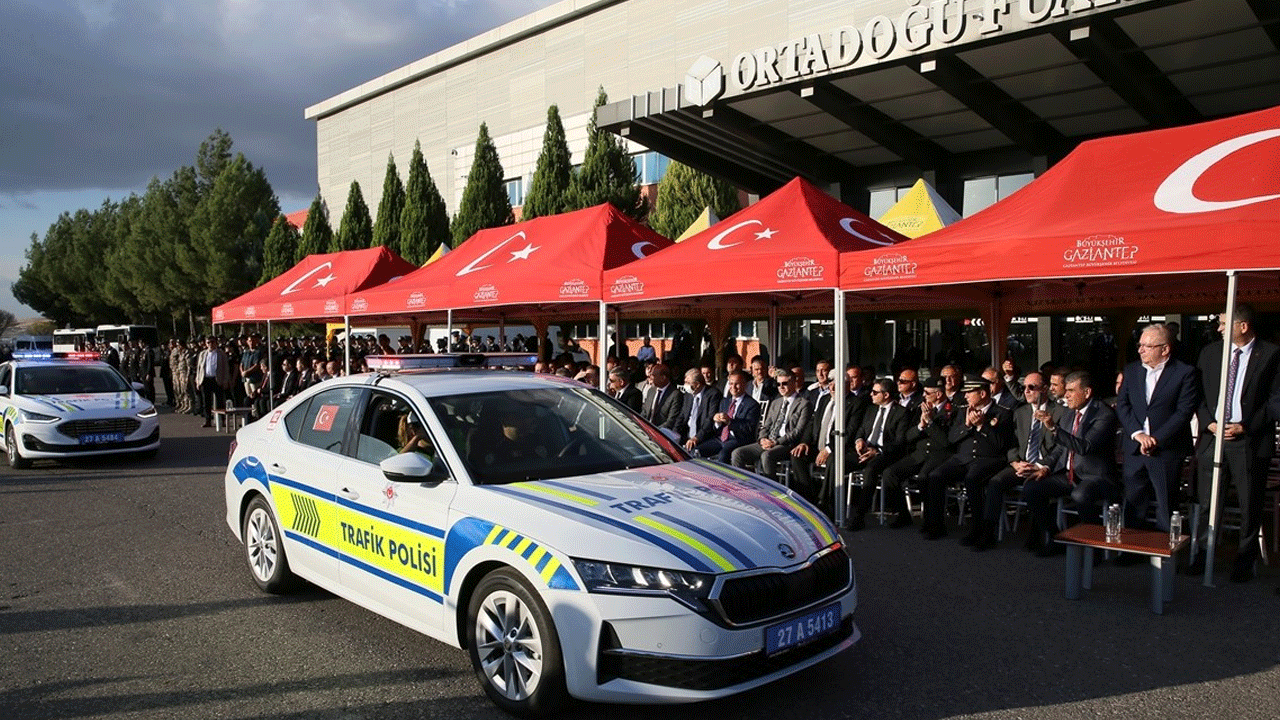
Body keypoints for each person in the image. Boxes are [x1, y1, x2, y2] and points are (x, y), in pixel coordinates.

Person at [1190, 305, 1280, 582]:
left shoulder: (1271, 355)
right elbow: (1197, 394)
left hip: (1249, 440)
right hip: (1213, 437)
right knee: (1208, 501)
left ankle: (1244, 559)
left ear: (1243, 326)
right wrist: (1208, 422)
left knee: (1249, 503)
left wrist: (1246, 425)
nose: (1218, 329)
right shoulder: (1211, 353)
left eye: (1223, 323)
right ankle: (1203, 554)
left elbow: (1275, 400)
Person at [1022, 370, 1120, 556]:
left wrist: (1053, 428)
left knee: (1080, 494)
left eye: (1071, 391)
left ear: (1087, 392)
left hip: (1095, 476)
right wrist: (1045, 467)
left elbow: (1085, 447)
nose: (1066, 395)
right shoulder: (1069, 414)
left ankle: (1094, 548)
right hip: (1070, 474)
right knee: (1032, 488)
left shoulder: (1104, 414)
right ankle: (1057, 537)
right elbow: (1061, 448)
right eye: (1065, 390)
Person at [1115, 323, 1201, 531]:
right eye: (1140, 345)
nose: (1140, 350)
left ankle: (1165, 548)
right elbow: (1123, 405)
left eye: (1147, 346)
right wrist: (1138, 434)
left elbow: (1183, 412)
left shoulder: (1184, 372)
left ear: (1165, 349)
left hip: (1166, 450)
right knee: (1133, 504)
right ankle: (1132, 545)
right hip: (1135, 449)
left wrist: (1156, 439)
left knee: (1166, 505)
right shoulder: (1132, 370)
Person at [968, 372, 1063, 551]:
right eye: (1024, 387)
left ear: (1045, 389)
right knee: (995, 482)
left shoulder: (1059, 412)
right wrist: (1015, 462)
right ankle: (987, 532)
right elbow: (1011, 443)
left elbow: (1060, 446)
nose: (1026, 391)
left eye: (1031, 387)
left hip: (1043, 465)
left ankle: (1036, 536)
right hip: (1021, 463)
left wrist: (1040, 465)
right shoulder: (1020, 412)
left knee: (1034, 487)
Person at [920, 379, 1014, 540]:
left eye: (970, 393)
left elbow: (1001, 445)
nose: (966, 396)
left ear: (982, 393)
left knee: (972, 479)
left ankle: (979, 529)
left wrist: (982, 426)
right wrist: (967, 426)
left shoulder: (1002, 413)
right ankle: (936, 525)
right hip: (962, 458)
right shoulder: (963, 411)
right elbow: (951, 439)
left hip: (988, 459)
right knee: (935, 476)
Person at [880, 377, 956, 529]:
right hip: (919, 454)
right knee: (890, 473)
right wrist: (921, 425)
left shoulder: (952, 410)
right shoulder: (920, 409)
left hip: (939, 455)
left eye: (927, 393)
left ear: (938, 394)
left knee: (925, 478)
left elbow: (946, 442)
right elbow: (907, 436)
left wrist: (931, 423)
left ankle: (932, 522)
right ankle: (903, 514)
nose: (924, 396)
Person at [845, 378, 910, 531]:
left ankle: (859, 516)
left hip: (885, 452)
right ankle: (828, 504)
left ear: (886, 395)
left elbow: (899, 442)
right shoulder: (871, 409)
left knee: (871, 470)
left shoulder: (901, 413)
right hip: (866, 449)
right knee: (838, 461)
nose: (871, 395)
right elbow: (862, 429)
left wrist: (877, 451)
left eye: (875, 392)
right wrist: (859, 440)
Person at [731, 367, 811, 481]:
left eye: (784, 383)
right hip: (768, 441)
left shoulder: (803, 404)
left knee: (766, 456)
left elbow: (797, 431)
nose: (781, 387)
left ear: (793, 383)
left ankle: (770, 489)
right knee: (737, 453)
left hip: (786, 444)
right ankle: (744, 485)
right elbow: (766, 425)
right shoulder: (775, 403)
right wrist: (762, 439)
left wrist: (776, 442)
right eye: (778, 384)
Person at [697, 370, 760, 462]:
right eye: (731, 384)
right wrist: (717, 422)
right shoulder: (725, 401)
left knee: (723, 455)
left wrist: (730, 422)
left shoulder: (752, 404)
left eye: (737, 384)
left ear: (744, 385)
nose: (733, 387)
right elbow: (716, 429)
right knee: (697, 451)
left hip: (738, 440)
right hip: (720, 439)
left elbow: (749, 428)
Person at [679, 368, 722, 450]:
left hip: (704, 437)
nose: (685, 385)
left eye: (688, 383)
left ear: (697, 385)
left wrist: (697, 438)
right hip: (686, 435)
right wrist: (673, 434)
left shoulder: (713, 394)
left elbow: (710, 419)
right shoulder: (688, 394)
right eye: (685, 382)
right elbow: (682, 415)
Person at [196, 336, 232, 428]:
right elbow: (199, 368)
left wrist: (225, 381)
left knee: (220, 401)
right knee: (206, 402)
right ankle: (208, 420)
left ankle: (222, 420)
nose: (210, 344)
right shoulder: (203, 354)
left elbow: (226, 368)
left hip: (217, 379)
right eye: (208, 342)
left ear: (216, 343)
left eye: (212, 342)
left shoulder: (221, 354)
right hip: (205, 379)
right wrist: (198, 381)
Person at [643, 363, 684, 434]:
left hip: (661, 433)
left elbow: (671, 421)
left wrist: (654, 431)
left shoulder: (675, 394)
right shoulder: (651, 391)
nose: (651, 377)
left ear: (663, 378)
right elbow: (644, 412)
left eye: (653, 375)